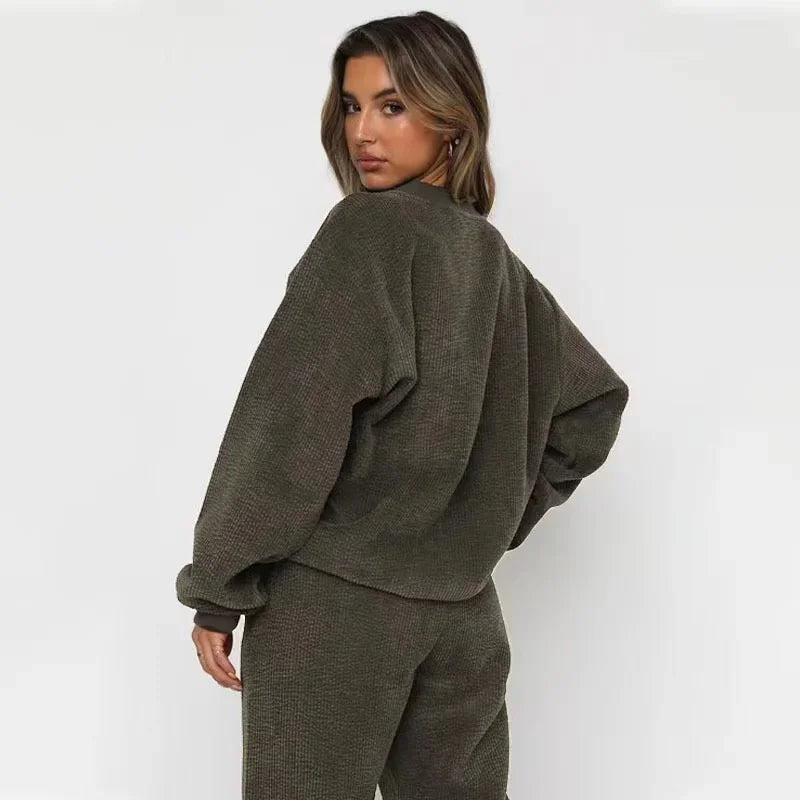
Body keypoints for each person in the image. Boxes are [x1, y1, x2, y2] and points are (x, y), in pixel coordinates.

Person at [175, 10, 629, 800]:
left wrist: (219, 585)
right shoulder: (492, 258)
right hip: (464, 617)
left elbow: (286, 426)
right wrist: (479, 525)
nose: (363, 132)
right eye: (352, 106)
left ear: (452, 118)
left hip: (335, 606)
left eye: (393, 106)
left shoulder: (366, 233)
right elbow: (589, 407)